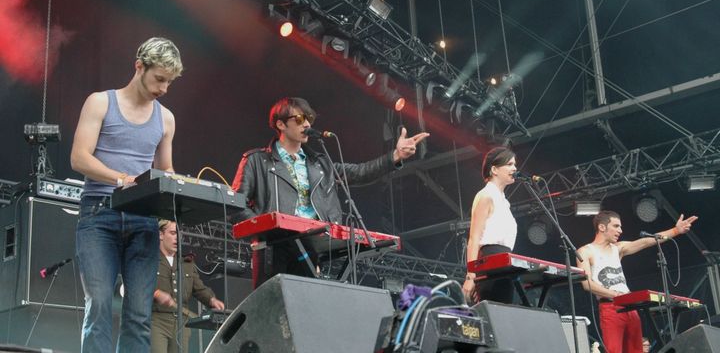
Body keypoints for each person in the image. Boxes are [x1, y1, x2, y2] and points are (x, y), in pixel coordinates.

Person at [231, 97, 429, 288]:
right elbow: (236, 204)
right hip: (273, 249)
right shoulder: (256, 161)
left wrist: (395, 156)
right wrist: (267, 231)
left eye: (309, 118)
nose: (306, 124)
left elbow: (359, 173)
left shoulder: (320, 163)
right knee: (274, 310)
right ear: (281, 125)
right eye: (299, 119)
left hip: (311, 244)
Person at [70, 37, 183, 352]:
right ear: (139, 66)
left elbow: (165, 169)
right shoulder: (100, 102)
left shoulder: (166, 118)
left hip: (143, 220)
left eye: (169, 82)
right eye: (159, 79)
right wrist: (122, 178)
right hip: (98, 214)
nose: (163, 88)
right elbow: (79, 157)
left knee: (138, 314)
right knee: (100, 303)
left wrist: (183, 185)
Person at [576, 210, 698, 353]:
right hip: (610, 307)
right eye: (616, 226)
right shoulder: (585, 251)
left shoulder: (618, 248)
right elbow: (587, 284)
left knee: (636, 350)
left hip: (631, 307)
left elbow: (646, 242)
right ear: (602, 227)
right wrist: (616, 294)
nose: (620, 230)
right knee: (614, 350)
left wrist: (675, 230)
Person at [151, 220, 224, 353]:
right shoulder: (150, 259)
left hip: (182, 323)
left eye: (179, 234)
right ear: (160, 235)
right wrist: (156, 293)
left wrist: (212, 300)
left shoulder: (187, 263)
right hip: (156, 320)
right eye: (173, 233)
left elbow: (199, 289)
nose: (177, 238)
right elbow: (138, 286)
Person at [462, 147, 519, 304]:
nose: (514, 168)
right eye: (509, 164)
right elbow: (474, 238)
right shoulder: (486, 196)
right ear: (494, 169)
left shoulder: (504, 201)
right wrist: (471, 275)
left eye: (514, 164)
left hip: (505, 263)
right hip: (490, 260)